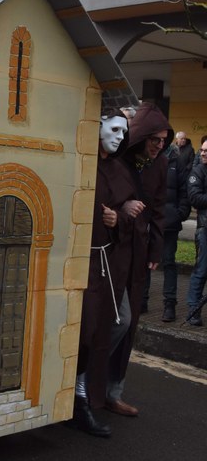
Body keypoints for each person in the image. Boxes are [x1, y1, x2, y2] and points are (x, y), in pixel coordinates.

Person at [72, 110, 136, 438]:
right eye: (114, 129)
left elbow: (130, 207)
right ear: (96, 127)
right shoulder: (79, 161)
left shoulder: (118, 167)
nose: (120, 136)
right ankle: (78, 397)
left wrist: (121, 217)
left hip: (106, 261)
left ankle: (83, 387)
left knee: (117, 322)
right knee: (82, 331)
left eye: (124, 131)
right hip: (78, 260)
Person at [107, 103, 172, 417]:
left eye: (163, 141)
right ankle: (86, 381)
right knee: (117, 319)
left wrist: (155, 251)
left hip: (139, 253)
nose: (159, 145)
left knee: (127, 325)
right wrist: (122, 212)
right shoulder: (118, 159)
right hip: (113, 248)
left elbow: (158, 208)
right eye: (154, 139)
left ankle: (112, 391)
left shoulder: (160, 165)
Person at [160, 139, 191, 322]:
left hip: (170, 223)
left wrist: (179, 214)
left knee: (169, 262)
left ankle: (169, 304)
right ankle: (142, 301)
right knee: (145, 261)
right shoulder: (146, 159)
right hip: (149, 222)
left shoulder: (176, 162)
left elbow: (184, 191)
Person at [185, 140, 207, 327]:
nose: (203, 153)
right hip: (205, 229)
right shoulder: (198, 172)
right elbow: (195, 198)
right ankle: (193, 310)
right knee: (202, 270)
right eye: (202, 150)